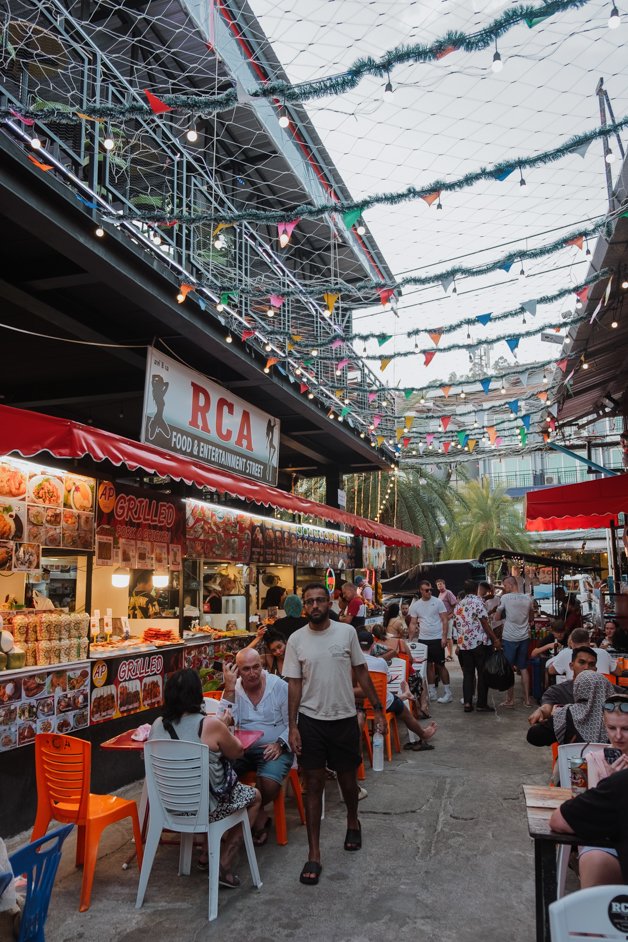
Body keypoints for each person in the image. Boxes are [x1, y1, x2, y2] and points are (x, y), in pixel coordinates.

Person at [284, 583, 386, 886]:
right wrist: (292, 725)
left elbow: (362, 672)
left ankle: (353, 820)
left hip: (343, 718)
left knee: (347, 780)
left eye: (320, 600)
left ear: (330, 603)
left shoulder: (347, 633)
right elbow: (294, 685)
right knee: (312, 786)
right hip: (312, 722)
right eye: (309, 601)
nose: (315, 606)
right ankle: (314, 853)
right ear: (304, 606)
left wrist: (378, 708)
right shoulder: (296, 640)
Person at [150, 668, 261, 885]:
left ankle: (205, 853)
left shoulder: (156, 725)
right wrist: (226, 726)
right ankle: (224, 863)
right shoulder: (209, 725)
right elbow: (238, 752)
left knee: (208, 791)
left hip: (169, 807)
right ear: (197, 694)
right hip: (206, 808)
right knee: (254, 797)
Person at [549, 694, 628, 885]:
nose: (618, 736)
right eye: (611, 728)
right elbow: (579, 806)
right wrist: (610, 782)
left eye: (626, 729)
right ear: (603, 725)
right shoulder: (583, 763)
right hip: (599, 840)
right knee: (594, 858)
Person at [221, 648, 293, 846]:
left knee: (269, 783)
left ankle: (250, 813)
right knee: (219, 775)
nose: (252, 673)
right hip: (241, 748)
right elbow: (222, 722)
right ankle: (257, 814)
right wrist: (228, 691)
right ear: (238, 671)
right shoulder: (233, 687)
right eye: (246, 669)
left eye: (256, 667)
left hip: (274, 746)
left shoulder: (278, 686)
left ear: (262, 666)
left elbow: (293, 722)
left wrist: (280, 744)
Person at [354, 630, 437, 752]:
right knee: (404, 711)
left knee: (391, 697)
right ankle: (423, 733)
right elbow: (386, 681)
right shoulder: (380, 663)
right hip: (380, 704)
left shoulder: (349, 664)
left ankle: (404, 695)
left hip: (358, 705)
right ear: (373, 646)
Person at [527, 647, 600, 744]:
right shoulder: (557, 691)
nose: (586, 668)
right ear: (571, 665)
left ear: (595, 669)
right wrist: (541, 711)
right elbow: (547, 707)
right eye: (582, 662)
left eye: (591, 664)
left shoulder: (606, 690)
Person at [526, 668, 613, 747]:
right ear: (607, 688)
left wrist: (553, 718)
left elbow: (534, 737)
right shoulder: (619, 716)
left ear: (577, 689)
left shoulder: (566, 714)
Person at [454, 580, 502, 714]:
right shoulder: (478, 602)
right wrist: (495, 639)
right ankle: (481, 704)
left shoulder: (459, 605)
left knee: (468, 674)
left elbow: (456, 625)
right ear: (476, 589)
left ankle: (468, 703)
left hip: (464, 645)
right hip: (480, 644)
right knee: (482, 674)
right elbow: (484, 622)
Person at [408, 580, 452, 704]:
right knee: (428, 665)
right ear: (421, 591)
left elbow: (444, 620)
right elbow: (412, 623)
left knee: (440, 665)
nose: (429, 592)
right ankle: (432, 692)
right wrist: (410, 640)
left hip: (437, 638)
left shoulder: (438, 602)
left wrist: (444, 637)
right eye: (426, 590)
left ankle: (448, 692)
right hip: (423, 639)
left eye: (430, 589)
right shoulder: (416, 605)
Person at [496, 575, 533, 707]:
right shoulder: (528, 598)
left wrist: (500, 619)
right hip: (524, 637)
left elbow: (497, 615)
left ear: (510, 585)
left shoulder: (505, 598)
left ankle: (510, 700)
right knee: (523, 668)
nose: (505, 589)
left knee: (509, 668)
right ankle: (527, 700)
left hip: (510, 637)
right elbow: (531, 616)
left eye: (505, 586)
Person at [547, 626, 612, 681]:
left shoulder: (566, 653)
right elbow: (619, 672)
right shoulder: (604, 652)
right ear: (589, 640)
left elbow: (551, 671)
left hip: (576, 692)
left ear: (571, 641)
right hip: (604, 692)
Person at [436, 577, 457, 662]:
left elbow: (455, 604)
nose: (439, 586)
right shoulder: (440, 594)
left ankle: (450, 655)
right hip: (442, 619)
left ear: (444, 584)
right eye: (438, 585)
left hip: (448, 618)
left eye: (441, 584)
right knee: (443, 637)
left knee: (448, 637)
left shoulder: (448, 592)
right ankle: (447, 654)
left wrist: (451, 615)